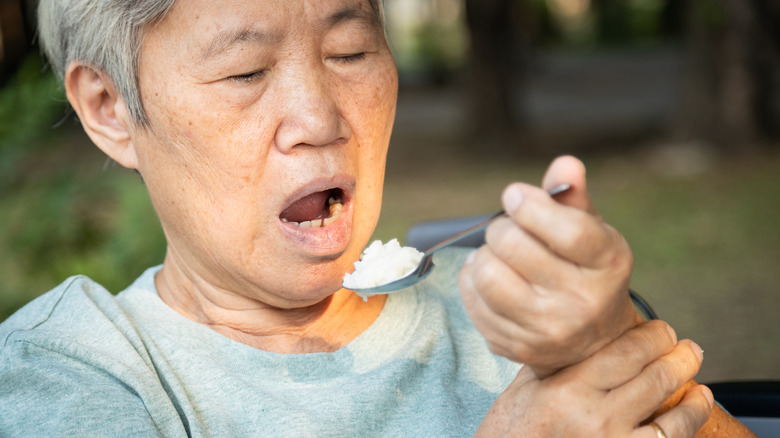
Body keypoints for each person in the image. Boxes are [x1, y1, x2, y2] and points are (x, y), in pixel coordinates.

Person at [0, 0, 754, 436]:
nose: (320, 117)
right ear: (110, 110)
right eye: (245, 72)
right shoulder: (69, 372)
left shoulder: (518, 313)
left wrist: (608, 341)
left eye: (352, 51)